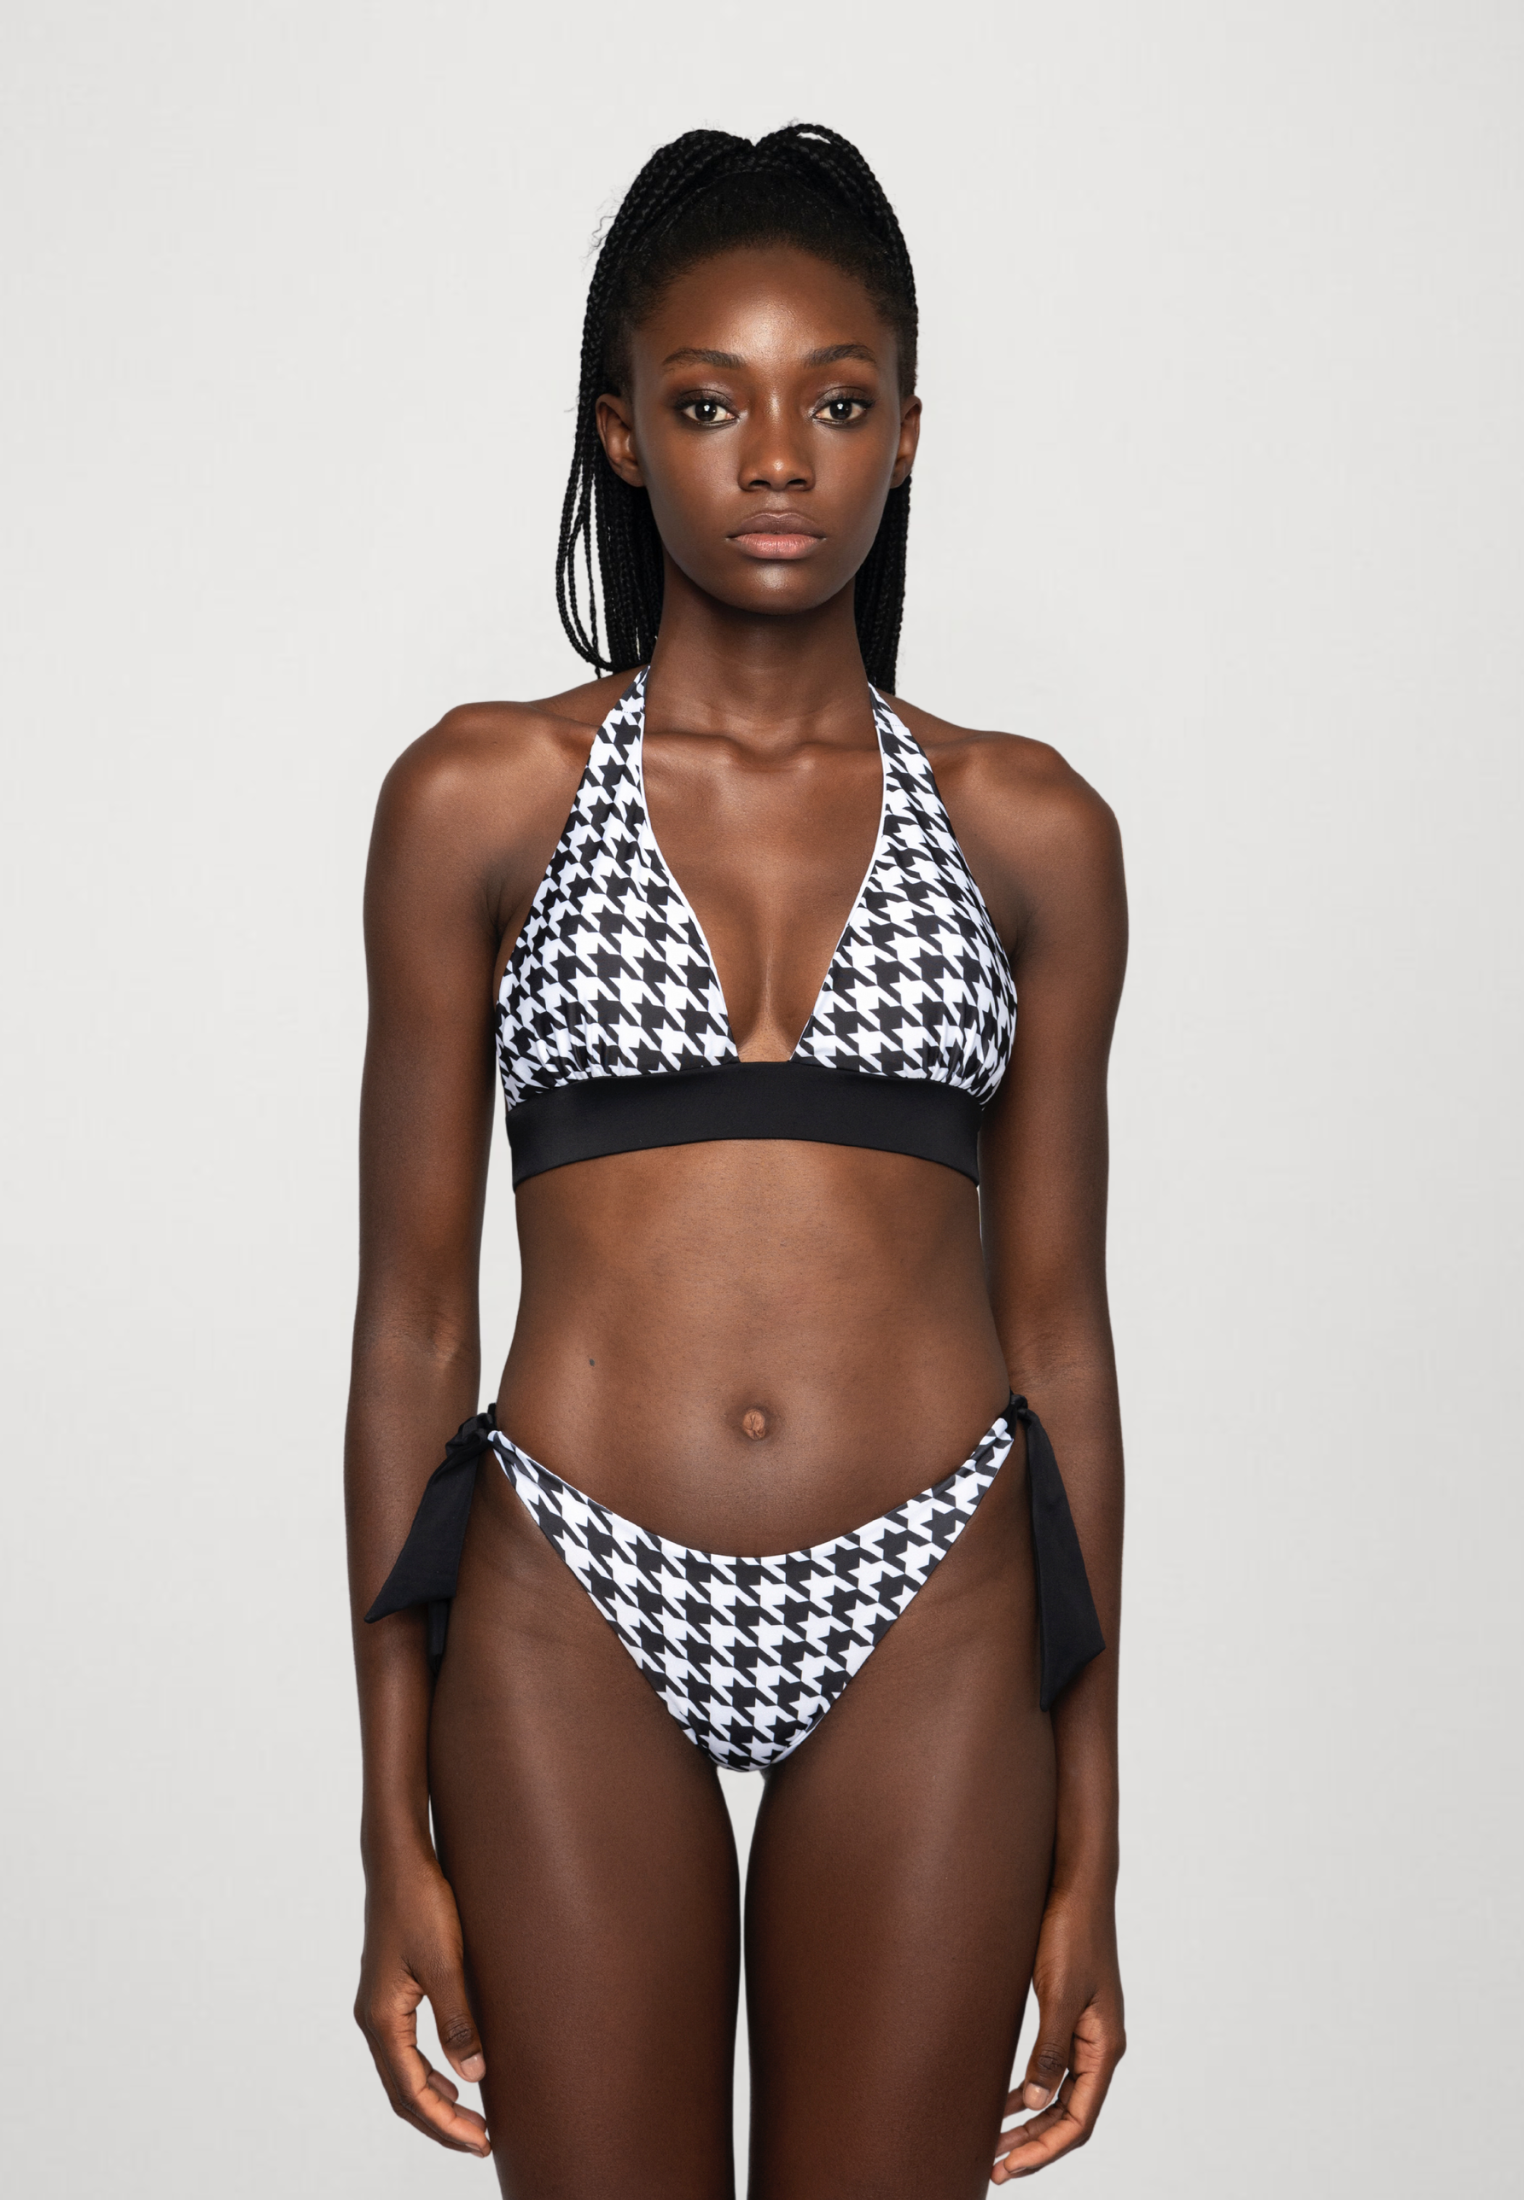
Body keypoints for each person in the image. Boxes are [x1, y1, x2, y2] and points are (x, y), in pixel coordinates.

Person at [347, 122, 1127, 2197]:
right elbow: (412, 1319)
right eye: (710, 404)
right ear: (622, 432)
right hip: (566, 1592)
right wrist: (385, 1824)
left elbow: (1062, 1331)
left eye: (836, 402)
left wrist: (1096, 1843)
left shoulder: (1031, 829)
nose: (777, 459)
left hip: (937, 1590)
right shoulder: (481, 797)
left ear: (908, 432)